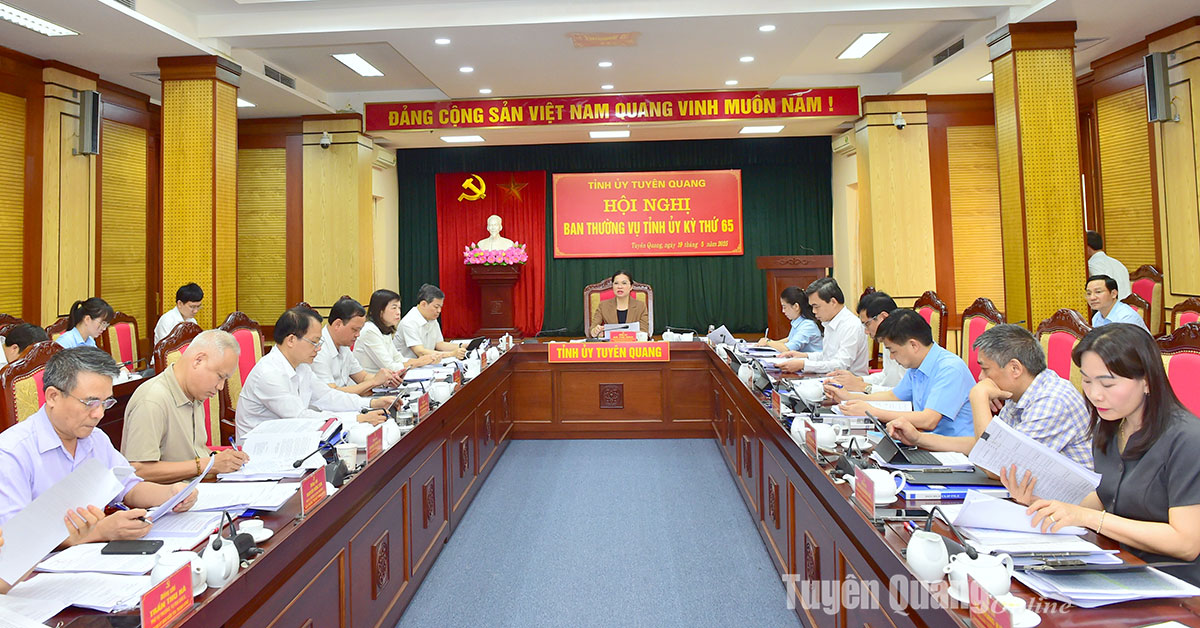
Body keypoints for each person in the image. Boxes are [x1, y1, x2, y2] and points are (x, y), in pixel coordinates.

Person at [1001, 324, 1200, 586]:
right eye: (1087, 381)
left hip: (1175, 582)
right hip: (1120, 562)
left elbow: (1186, 543)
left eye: (1107, 383)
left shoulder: (1187, 439)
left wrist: (1091, 518)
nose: (1095, 395)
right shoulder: (1111, 426)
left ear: (1147, 381)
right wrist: (1045, 504)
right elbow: (1107, 495)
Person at [0, 347, 198, 545]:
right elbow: (14, 539)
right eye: (90, 403)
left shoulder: (96, 439)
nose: (99, 414)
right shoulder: (11, 453)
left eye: (105, 402)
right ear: (53, 396)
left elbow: (129, 487)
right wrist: (100, 531)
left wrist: (172, 494)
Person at [885, 324, 1093, 467]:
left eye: (985, 369)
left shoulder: (1051, 401)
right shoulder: (1017, 394)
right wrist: (918, 438)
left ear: (1014, 369)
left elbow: (995, 464)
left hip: (1069, 509)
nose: (980, 377)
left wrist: (978, 395)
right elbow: (982, 444)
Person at [235, 307, 391, 438]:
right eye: (314, 342)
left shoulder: (301, 366)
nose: (319, 348)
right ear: (291, 340)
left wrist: (371, 403)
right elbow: (300, 418)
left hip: (291, 438)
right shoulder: (269, 374)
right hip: (261, 448)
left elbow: (327, 396)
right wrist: (357, 418)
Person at [121, 330, 250, 483]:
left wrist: (222, 459)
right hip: (169, 494)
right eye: (220, 376)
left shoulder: (195, 393)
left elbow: (194, 453)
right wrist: (207, 465)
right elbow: (138, 470)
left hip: (198, 486)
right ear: (198, 360)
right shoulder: (152, 400)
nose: (221, 387)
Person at [839, 309, 975, 437]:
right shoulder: (917, 365)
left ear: (913, 345)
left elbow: (928, 420)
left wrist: (871, 412)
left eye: (893, 351)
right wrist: (849, 397)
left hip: (952, 448)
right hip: (925, 440)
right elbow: (894, 396)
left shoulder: (950, 368)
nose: (892, 357)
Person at [312, 297, 403, 395]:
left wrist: (387, 379)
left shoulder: (343, 345)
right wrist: (374, 382)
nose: (358, 335)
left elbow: (363, 377)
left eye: (360, 330)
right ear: (338, 324)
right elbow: (331, 393)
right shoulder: (318, 349)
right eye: (354, 330)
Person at [778, 278, 868, 375]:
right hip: (828, 378)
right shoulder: (830, 322)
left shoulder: (851, 326)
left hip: (849, 382)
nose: (814, 311)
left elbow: (840, 365)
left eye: (816, 306)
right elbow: (827, 356)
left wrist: (804, 364)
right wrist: (804, 356)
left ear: (833, 302)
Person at [823, 292, 904, 396]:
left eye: (867, 324)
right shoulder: (888, 340)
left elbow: (904, 393)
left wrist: (863, 387)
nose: (866, 331)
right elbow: (886, 376)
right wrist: (857, 380)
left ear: (883, 317)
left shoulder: (905, 343)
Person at [354, 290, 438, 375]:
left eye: (399, 308)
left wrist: (423, 360)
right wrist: (418, 362)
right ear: (380, 310)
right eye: (394, 308)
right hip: (370, 381)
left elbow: (398, 358)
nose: (398, 312)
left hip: (386, 380)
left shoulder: (384, 329)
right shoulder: (369, 331)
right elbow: (390, 367)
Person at [399, 284, 467, 360]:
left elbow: (439, 344)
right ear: (423, 304)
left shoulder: (431, 318)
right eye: (436, 307)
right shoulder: (409, 322)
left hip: (426, 363)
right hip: (409, 365)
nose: (439, 311)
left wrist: (465, 346)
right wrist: (452, 354)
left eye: (440, 307)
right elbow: (420, 352)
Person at [756, 286, 822, 353]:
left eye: (784, 307)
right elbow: (789, 339)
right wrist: (769, 343)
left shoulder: (808, 326)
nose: (783, 311)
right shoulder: (798, 322)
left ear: (796, 306)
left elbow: (788, 349)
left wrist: (768, 342)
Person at [589, 270, 650, 338]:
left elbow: (644, 331)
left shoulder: (640, 306)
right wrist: (595, 331)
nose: (619, 286)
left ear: (631, 286)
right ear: (612, 286)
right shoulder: (603, 306)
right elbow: (592, 330)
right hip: (610, 344)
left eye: (624, 283)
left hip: (633, 344)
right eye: (616, 283)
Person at [1085, 230, 1131, 299]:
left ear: (1087, 247)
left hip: (1109, 305)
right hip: (1127, 304)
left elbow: (1099, 294)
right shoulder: (1118, 263)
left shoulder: (1091, 266)